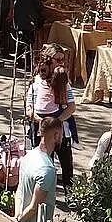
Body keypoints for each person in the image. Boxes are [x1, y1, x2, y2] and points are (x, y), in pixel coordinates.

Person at [24, 44, 76, 190]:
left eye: (62, 60)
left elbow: (71, 107)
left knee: (66, 161)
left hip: (58, 126)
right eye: (57, 60)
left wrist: (57, 121)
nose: (61, 63)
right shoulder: (36, 82)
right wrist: (37, 119)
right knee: (44, 161)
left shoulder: (63, 82)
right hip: (40, 125)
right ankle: (45, 192)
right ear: (48, 60)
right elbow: (29, 106)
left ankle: (70, 193)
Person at [14, 117, 62, 222]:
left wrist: (17, 216)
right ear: (56, 136)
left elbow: (19, 191)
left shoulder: (28, 156)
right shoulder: (47, 169)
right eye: (62, 135)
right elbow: (34, 207)